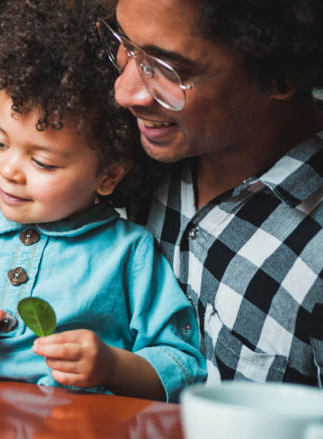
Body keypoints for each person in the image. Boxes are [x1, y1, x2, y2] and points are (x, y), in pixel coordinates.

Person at [0, 0, 206, 402]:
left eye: (42, 161)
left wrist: (112, 366)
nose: (9, 170)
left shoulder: (130, 254)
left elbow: (182, 364)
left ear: (108, 175)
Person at [101, 0, 323, 385]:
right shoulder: (121, 159)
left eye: (170, 70)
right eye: (127, 45)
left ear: (282, 74)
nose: (125, 92)